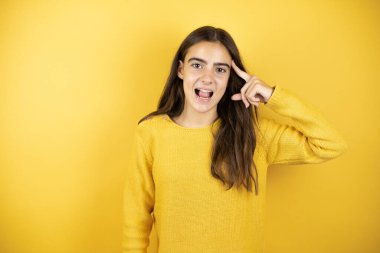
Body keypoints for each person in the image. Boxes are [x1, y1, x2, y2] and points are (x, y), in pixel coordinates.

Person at [122, 26, 348, 253]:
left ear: (230, 78)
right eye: (197, 65)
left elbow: (331, 143)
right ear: (181, 69)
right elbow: (136, 216)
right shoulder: (151, 133)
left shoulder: (254, 133)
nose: (207, 78)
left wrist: (272, 96)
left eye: (220, 70)